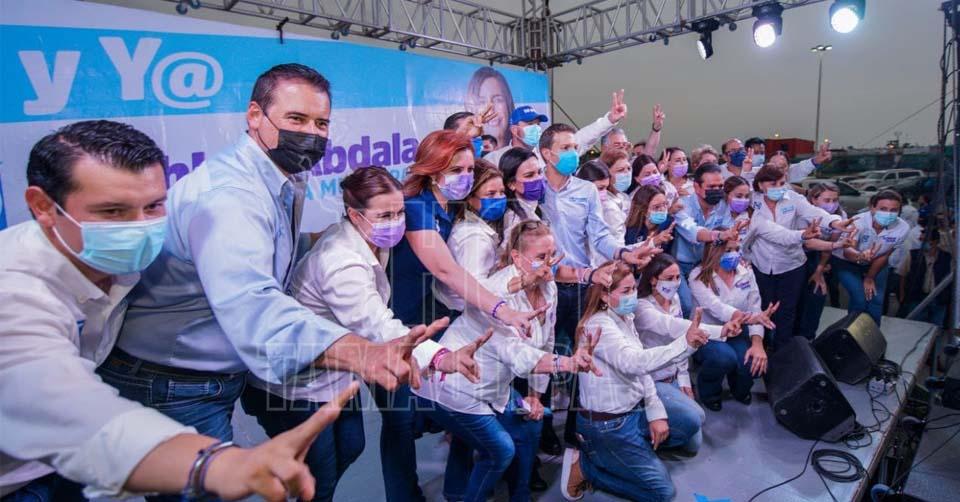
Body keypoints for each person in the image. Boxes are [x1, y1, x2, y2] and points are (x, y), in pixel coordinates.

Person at [101, 64, 438, 502]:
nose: (311, 134)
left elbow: (266, 247)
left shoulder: (279, 173)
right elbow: (253, 304)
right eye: (296, 119)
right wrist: (362, 352)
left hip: (213, 372)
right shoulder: (231, 196)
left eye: (321, 124)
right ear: (255, 115)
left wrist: (319, 239)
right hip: (172, 380)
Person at [0, 119, 358, 502]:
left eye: (154, 206)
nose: (140, 228)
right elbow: (77, 414)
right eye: (113, 211)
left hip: (69, 465)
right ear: (43, 206)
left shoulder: (118, 254)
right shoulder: (15, 292)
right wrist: (217, 465)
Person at [239, 166, 488, 501]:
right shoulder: (341, 262)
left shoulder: (368, 242)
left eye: (399, 212)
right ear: (355, 215)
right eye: (384, 215)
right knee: (320, 477)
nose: (396, 222)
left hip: (338, 369)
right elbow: (377, 324)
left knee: (352, 445)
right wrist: (441, 356)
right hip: (297, 383)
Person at [387, 130, 541, 500]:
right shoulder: (417, 208)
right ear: (433, 169)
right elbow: (448, 271)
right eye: (456, 169)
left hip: (429, 319)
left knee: (456, 401)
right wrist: (503, 310)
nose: (466, 177)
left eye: (470, 169)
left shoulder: (446, 208)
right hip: (393, 325)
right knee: (399, 421)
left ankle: (457, 489)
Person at [415, 221, 598, 502]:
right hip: (455, 384)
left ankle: (502, 494)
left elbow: (545, 341)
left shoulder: (548, 288)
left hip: (491, 382)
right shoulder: (495, 293)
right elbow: (519, 354)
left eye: (552, 255)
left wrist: (535, 395)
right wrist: (568, 363)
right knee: (500, 450)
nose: (549, 264)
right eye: (541, 257)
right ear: (516, 257)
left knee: (529, 426)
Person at [561, 261, 710, 502]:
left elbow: (641, 373)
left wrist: (655, 411)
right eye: (626, 291)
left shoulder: (624, 317)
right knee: (663, 493)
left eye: (633, 289)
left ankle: (626, 456)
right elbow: (636, 362)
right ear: (604, 296)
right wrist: (685, 343)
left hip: (633, 410)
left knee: (691, 425)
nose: (633, 296)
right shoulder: (598, 325)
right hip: (608, 425)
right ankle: (586, 468)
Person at [633, 253, 741, 440]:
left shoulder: (674, 299)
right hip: (653, 380)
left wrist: (683, 379)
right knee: (697, 419)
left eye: (677, 278)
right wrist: (721, 330)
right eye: (669, 278)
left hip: (673, 375)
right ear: (653, 280)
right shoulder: (642, 307)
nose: (675, 283)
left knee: (694, 436)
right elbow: (674, 326)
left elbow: (682, 342)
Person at [745, 165, 854, 349]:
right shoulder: (751, 199)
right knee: (763, 307)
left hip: (791, 263)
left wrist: (835, 222)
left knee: (786, 310)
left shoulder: (793, 198)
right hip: (761, 263)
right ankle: (762, 348)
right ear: (761, 185)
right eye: (773, 184)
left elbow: (815, 213)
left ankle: (783, 351)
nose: (779, 187)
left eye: (782, 183)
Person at [689, 236, 778, 411]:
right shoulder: (698, 276)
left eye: (737, 249)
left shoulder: (746, 272)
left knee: (752, 362)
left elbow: (755, 306)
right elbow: (716, 307)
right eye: (728, 250)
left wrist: (757, 343)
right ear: (714, 252)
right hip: (708, 333)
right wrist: (750, 317)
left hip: (737, 332)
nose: (734, 254)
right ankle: (709, 393)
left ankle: (740, 390)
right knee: (724, 358)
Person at [484, 89, 629, 168]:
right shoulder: (495, 159)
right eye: (529, 124)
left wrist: (609, 119)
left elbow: (584, 137)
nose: (535, 128)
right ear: (514, 130)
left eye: (537, 124)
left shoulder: (549, 153)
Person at [434, 159, 506, 315]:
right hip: (459, 313)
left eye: (502, 192)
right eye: (491, 194)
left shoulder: (474, 224)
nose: (499, 198)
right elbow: (476, 291)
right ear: (471, 199)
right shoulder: (474, 239)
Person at [672, 163, 742, 317]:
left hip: (708, 264)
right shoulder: (682, 205)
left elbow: (729, 232)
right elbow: (693, 232)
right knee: (686, 305)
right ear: (697, 187)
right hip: (681, 266)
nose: (717, 190)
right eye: (711, 187)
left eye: (720, 186)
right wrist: (719, 235)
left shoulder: (722, 205)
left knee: (715, 306)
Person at [832, 190, 910, 326]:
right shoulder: (858, 221)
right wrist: (861, 256)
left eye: (894, 210)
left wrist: (870, 277)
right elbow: (847, 251)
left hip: (877, 262)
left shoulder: (902, 227)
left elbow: (885, 254)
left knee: (876, 299)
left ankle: (872, 335)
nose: (888, 213)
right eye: (883, 209)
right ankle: (851, 333)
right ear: (872, 208)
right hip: (846, 262)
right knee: (859, 299)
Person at [796, 182, 847, 340]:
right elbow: (807, 243)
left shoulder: (840, 216)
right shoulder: (802, 214)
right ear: (813, 200)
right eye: (827, 200)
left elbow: (829, 245)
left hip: (820, 255)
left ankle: (808, 337)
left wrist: (819, 270)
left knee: (818, 293)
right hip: (797, 254)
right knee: (797, 296)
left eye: (835, 200)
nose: (832, 204)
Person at [575, 160, 626, 267]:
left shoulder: (609, 209)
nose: (604, 193)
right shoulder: (570, 208)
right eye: (600, 188)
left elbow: (615, 242)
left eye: (606, 188)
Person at [898, 228, 953, 326]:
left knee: (936, 327)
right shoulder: (913, 255)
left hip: (939, 299)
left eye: (926, 241)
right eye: (921, 240)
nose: (923, 244)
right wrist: (902, 295)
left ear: (935, 242)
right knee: (915, 325)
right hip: (917, 297)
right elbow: (903, 275)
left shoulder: (946, 257)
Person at [500, 147, 544, 248]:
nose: (538, 178)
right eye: (529, 175)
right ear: (511, 184)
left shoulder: (533, 208)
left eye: (539, 172)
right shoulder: (514, 221)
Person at [465, 67, 516, 149]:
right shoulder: (468, 153)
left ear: (508, 104)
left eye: (498, 100)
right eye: (481, 102)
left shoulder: (521, 151)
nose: (491, 110)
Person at [599, 104, 665, 160]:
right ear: (604, 148)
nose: (622, 148)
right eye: (617, 144)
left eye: (624, 144)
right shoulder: (594, 168)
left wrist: (656, 129)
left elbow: (649, 152)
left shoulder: (630, 166)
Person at [624, 185, 675, 250]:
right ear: (643, 210)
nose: (663, 209)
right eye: (656, 207)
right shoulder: (630, 230)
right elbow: (629, 253)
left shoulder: (669, 223)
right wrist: (655, 241)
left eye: (665, 204)